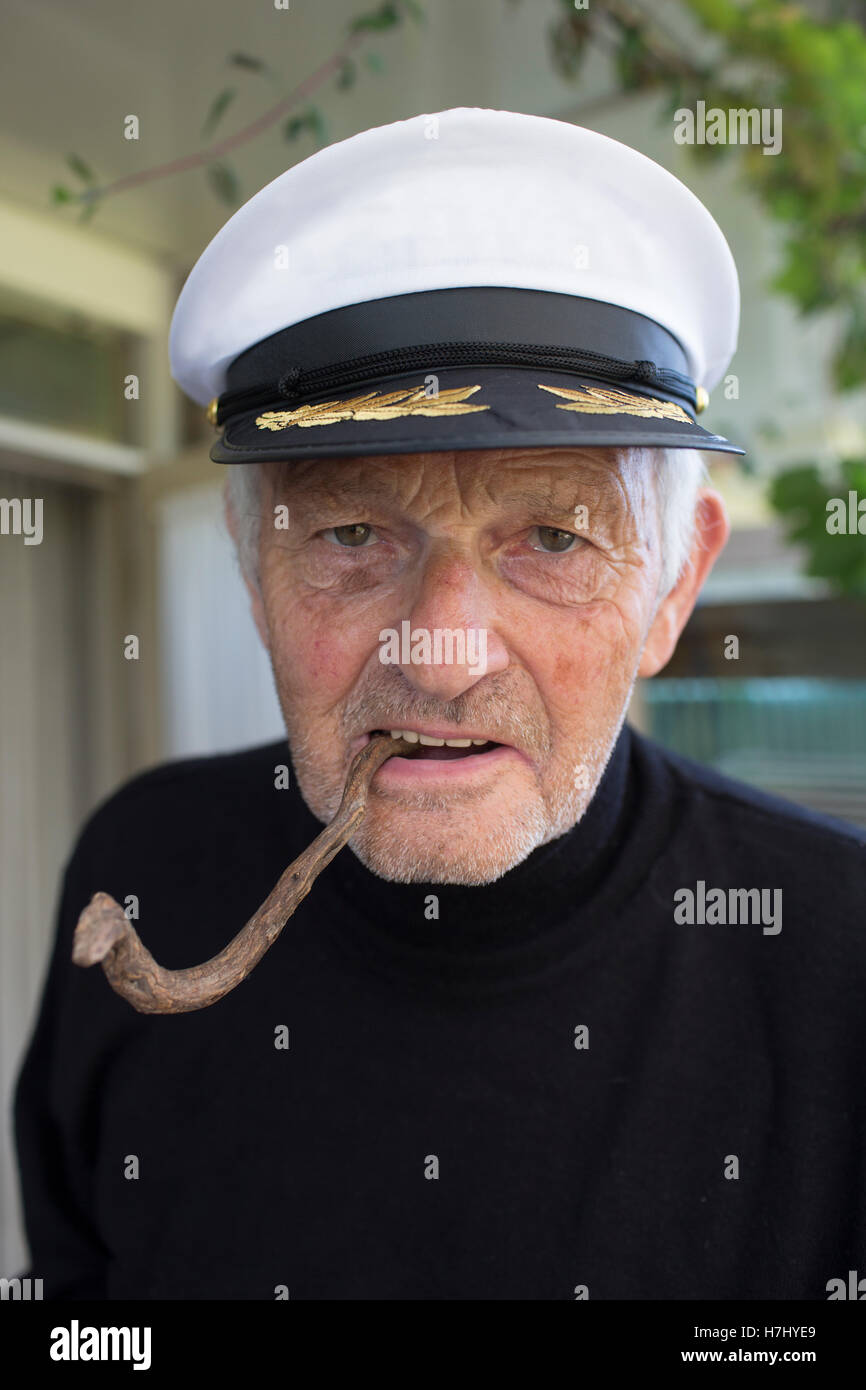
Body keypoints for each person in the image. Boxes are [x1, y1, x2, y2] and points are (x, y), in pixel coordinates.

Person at [14, 108, 865, 1300]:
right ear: (254, 571)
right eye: (353, 533)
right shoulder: (142, 864)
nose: (443, 655)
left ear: (673, 586)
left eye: (554, 537)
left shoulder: (839, 955)